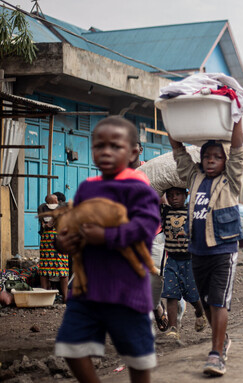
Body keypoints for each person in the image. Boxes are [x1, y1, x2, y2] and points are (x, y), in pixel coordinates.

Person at [54, 116, 160, 383]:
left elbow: (146, 227)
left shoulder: (139, 188)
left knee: (138, 358)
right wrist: (63, 242)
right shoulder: (88, 188)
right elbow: (73, 226)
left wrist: (106, 236)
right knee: (71, 345)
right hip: (88, 289)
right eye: (99, 146)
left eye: (115, 146)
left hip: (127, 289)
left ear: (134, 152)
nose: (106, 152)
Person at [169, 119, 243, 377]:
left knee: (218, 301)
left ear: (225, 161)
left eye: (217, 157)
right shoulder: (194, 177)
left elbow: (238, 151)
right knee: (205, 302)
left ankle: (216, 354)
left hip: (223, 251)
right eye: (206, 156)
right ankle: (222, 340)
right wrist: (170, 119)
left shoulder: (231, 181)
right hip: (197, 252)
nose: (211, 160)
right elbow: (179, 152)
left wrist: (236, 118)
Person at [160, 187, 207, 340]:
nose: (174, 198)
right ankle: (173, 328)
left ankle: (200, 312)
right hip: (172, 260)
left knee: (192, 295)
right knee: (171, 293)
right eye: (170, 195)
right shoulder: (165, 212)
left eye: (178, 194)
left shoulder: (192, 211)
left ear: (186, 195)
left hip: (190, 261)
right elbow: (155, 196)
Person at [37, 193, 69, 303]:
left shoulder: (41, 208)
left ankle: (43, 296)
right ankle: (65, 297)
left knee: (45, 268)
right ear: (57, 201)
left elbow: (43, 224)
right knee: (63, 268)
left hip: (46, 241)